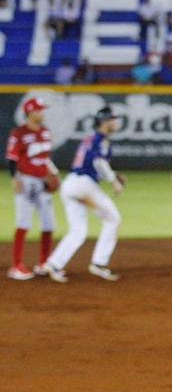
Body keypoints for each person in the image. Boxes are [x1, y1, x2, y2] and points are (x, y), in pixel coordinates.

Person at [42, 107, 125, 283]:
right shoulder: (102, 140)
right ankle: (99, 263)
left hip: (70, 183)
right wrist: (113, 180)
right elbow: (99, 161)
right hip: (84, 185)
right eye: (112, 119)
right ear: (104, 121)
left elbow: (92, 162)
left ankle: (53, 264)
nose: (115, 122)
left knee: (78, 230)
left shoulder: (89, 138)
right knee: (112, 219)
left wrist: (113, 173)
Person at [6, 97, 59, 280]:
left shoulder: (45, 132)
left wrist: (54, 172)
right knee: (23, 222)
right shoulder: (19, 133)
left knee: (49, 223)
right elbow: (12, 158)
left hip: (42, 181)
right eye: (39, 110)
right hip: (26, 180)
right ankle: (16, 266)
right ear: (30, 112)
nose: (42, 112)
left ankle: (43, 263)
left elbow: (45, 157)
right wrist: (14, 178)